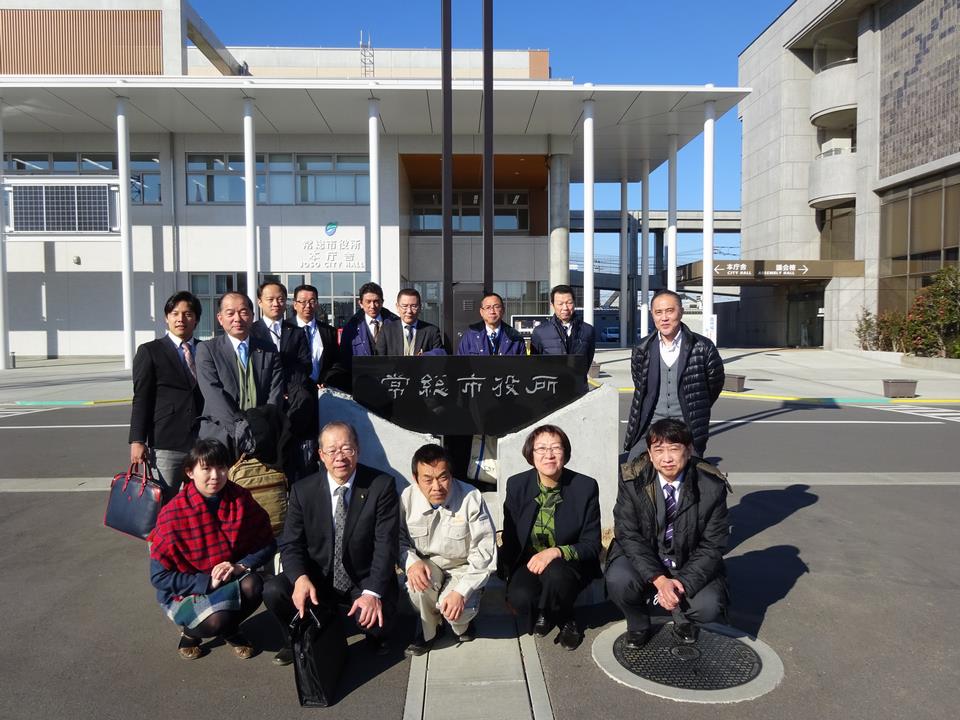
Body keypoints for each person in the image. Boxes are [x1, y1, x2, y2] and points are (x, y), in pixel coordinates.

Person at [263, 421, 399, 664]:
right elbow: (290, 542)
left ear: (358, 449)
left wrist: (371, 593)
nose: (340, 457)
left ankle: (372, 633)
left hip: (362, 576)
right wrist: (300, 578)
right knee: (274, 591)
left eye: (347, 448)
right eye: (332, 450)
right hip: (319, 576)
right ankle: (294, 638)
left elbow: (385, 545)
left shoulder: (381, 485)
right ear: (321, 455)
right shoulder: (302, 490)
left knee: (377, 623)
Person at [606, 418, 730, 649]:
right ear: (650, 455)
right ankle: (638, 623)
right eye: (659, 450)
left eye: (674, 448)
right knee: (618, 579)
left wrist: (680, 582)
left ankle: (683, 620)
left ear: (689, 450)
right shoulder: (633, 481)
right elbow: (628, 534)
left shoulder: (711, 486)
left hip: (687, 559)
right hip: (646, 556)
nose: (667, 458)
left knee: (709, 606)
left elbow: (714, 544)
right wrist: (660, 580)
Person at [148, 438, 276, 660]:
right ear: (190, 472)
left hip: (229, 577)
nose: (216, 476)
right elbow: (159, 577)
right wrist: (206, 582)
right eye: (206, 468)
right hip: (187, 589)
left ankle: (230, 628)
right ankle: (191, 634)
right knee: (214, 621)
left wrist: (239, 565)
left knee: (257, 585)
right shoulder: (173, 514)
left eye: (221, 467)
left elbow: (267, 542)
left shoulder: (241, 499)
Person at [499, 424, 601, 651]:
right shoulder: (517, 485)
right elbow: (511, 538)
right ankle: (543, 609)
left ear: (565, 452)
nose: (549, 455)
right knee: (520, 597)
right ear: (531, 454)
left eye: (556, 448)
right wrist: (507, 581)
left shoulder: (585, 487)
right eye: (541, 449)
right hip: (530, 562)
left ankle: (566, 618)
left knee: (555, 574)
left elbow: (591, 545)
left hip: (567, 564)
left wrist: (556, 551)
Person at [399, 444, 497, 656]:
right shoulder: (406, 499)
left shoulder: (471, 497)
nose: (436, 486)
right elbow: (398, 539)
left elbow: (485, 551)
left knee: (455, 612)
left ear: (451, 475)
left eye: (443, 477)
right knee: (417, 586)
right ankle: (430, 632)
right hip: (427, 564)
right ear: (416, 479)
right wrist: (410, 561)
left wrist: (461, 592)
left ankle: (462, 625)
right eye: (427, 479)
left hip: (463, 567)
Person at [622, 289, 725, 458]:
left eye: (670, 311)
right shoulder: (642, 348)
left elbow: (714, 384)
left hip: (687, 425)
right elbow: (640, 385)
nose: (664, 318)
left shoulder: (702, 347)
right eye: (658, 312)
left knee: (688, 475)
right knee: (634, 467)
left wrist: (695, 404)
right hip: (651, 424)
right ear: (652, 315)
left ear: (681, 312)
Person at [129, 291, 205, 498]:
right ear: (166, 317)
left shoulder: (207, 349)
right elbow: (141, 398)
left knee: (200, 502)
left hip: (202, 440)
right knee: (164, 503)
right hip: (166, 441)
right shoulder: (150, 351)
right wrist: (137, 440)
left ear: (196, 319)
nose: (181, 319)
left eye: (188, 314)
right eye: (175, 313)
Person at [195, 291, 284, 460]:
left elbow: (275, 392)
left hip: (261, 435)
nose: (237, 318)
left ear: (252, 316)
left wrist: (261, 427)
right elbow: (213, 393)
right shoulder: (207, 349)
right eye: (230, 313)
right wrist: (238, 429)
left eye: (243, 312)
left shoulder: (269, 349)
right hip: (220, 435)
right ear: (220, 318)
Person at [250, 281, 317, 481]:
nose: (276, 304)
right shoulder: (252, 332)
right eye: (270, 299)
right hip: (263, 402)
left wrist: (288, 388)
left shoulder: (296, 331)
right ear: (260, 302)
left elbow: (304, 365)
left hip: (292, 402)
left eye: (280, 299)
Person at [292, 283, 346, 390]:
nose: (308, 305)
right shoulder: (286, 329)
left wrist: (326, 380)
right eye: (303, 301)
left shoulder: (329, 331)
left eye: (312, 301)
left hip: (322, 389)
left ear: (317, 304)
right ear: (295, 304)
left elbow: (336, 362)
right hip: (294, 391)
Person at [529, 284, 595, 371]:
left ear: (574, 303)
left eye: (569, 303)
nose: (565, 308)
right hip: (551, 382)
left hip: (577, 383)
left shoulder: (588, 330)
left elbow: (588, 361)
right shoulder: (539, 332)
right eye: (560, 304)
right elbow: (535, 363)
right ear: (552, 305)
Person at [339, 281, 398, 377]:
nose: (372, 306)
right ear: (361, 303)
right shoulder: (351, 328)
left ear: (382, 302)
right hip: (362, 381)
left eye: (376, 301)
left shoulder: (396, 324)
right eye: (368, 302)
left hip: (390, 379)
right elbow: (344, 360)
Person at [374, 288, 444, 356]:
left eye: (414, 306)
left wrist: (426, 355)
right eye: (404, 306)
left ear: (420, 307)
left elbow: (441, 355)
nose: (409, 311)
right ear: (397, 307)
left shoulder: (431, 331)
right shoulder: (386, 330)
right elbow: (379, 359)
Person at [456, 291, 526, 356]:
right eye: (488, 307)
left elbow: (522, 367)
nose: (492, 311)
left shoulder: (515, 337)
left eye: (496, 307)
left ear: (503, 310)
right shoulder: (470, 337)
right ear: (481, 312)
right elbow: (461, 365)